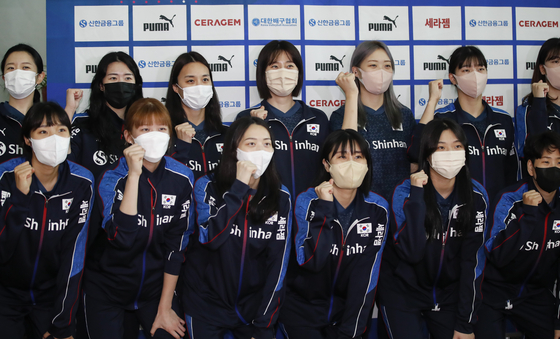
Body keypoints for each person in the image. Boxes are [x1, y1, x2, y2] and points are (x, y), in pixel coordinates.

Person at [83, 98, 194, 339]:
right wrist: (133, 175)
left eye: (161, 129)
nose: (154, 136)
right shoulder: (111, 178)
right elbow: (122, 237)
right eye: (145, 129)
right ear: (129, 137)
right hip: (107, 289)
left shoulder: (182, 177)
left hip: (155, 291)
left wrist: (165, 308)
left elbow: (176, 248)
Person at [377, 118, 489, 339]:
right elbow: (412, 252)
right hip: (402, 291)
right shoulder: (404, 193)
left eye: (457, 146)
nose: (451, 153)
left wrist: (465, 322)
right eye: (441, 147)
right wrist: (417, 197)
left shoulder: (476, 196)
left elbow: (473, 261)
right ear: (427, 153)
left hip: (448, 294)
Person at [181, 116, 291, 339]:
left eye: (266, 144)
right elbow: (210, 239)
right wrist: (239, 189)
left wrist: (264, 324)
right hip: (205, 305)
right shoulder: (207, 185)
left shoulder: (281, 197)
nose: (260, 150)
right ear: (233, 150)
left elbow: (277, 266)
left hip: (250, 310)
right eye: (251, 143)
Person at [279, 129, 389, 339]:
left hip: (346, 313)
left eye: (358, 156)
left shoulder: (378, 208)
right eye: (342, 156)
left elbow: (367, 275)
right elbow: (311, 261)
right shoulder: (307, 202)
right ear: (327, 165)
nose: (351, 163)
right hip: (301, 311)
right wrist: (324, 210)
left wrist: (351, 331)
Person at [0, 102, 94, 339]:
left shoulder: (82, 182)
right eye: (43, 131)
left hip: (50, 298)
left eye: (61, 130)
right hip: (6, 296)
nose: (54, 138)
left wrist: (62, 321)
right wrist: (19, 201)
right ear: (27, 140)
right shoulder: (6, 177)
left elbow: (74, 254)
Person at [475, 131, 560, 339]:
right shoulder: (509, 198)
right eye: (546, 162)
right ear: (531, 167)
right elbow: (497, 253)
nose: (554, 168)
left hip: (536, 294)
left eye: (559, 162)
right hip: (494, 292)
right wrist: (528, 216)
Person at [411, 45, 519, 202]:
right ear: (453, 78)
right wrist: (433, 100)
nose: (475, 75)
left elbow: (512, 170)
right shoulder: (442, 118)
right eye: (466, 70)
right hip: (459, 211)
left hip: (498, 210)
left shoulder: (503, 119)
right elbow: (417, 154)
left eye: (480, 69)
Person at [236, 40, 329, 198]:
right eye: (274, 66)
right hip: (266, 213)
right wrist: (255, 127)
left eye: (289, 65)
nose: (283, 72)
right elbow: (238, 171)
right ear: (263, 72)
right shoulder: (246, 119)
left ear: (298, 72)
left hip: (312, 211)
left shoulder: (318, 118)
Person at [332, 40, 416, 201]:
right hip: (361, 208)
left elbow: (414, 165)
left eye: (387, 66)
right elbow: (344, 157)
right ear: (356, 71)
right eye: (373, 65)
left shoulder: (404, 115)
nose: (381, 72)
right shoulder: (341, 116)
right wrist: (351, 95)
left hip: (401, 206)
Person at [68, 51, 143, 180]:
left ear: (136, 85)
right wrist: (69, 110)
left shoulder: (146, 126)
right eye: (113, 78)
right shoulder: (82, 125)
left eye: (128, 78)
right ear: (101, 85)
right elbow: (62, 166)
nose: (121, 84)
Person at [165, 51, 228, 180]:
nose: (199, 86)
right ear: (176, 87)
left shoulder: (227, 134)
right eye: (190, 81)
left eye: (205, 79)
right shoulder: (164, 135)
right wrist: (182, 147)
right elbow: (163, 183)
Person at [515, 38, 560, 161]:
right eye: (556, 61)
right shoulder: (527, 109)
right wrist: (539, 102)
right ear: (542, 69)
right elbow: (529, 151)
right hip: (545, 178)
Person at [0, 44, 46, 163]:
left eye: (25, 67)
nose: (17, 74)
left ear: (40, 77)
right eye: (11, 68)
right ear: (4, 78)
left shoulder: (48, 119)